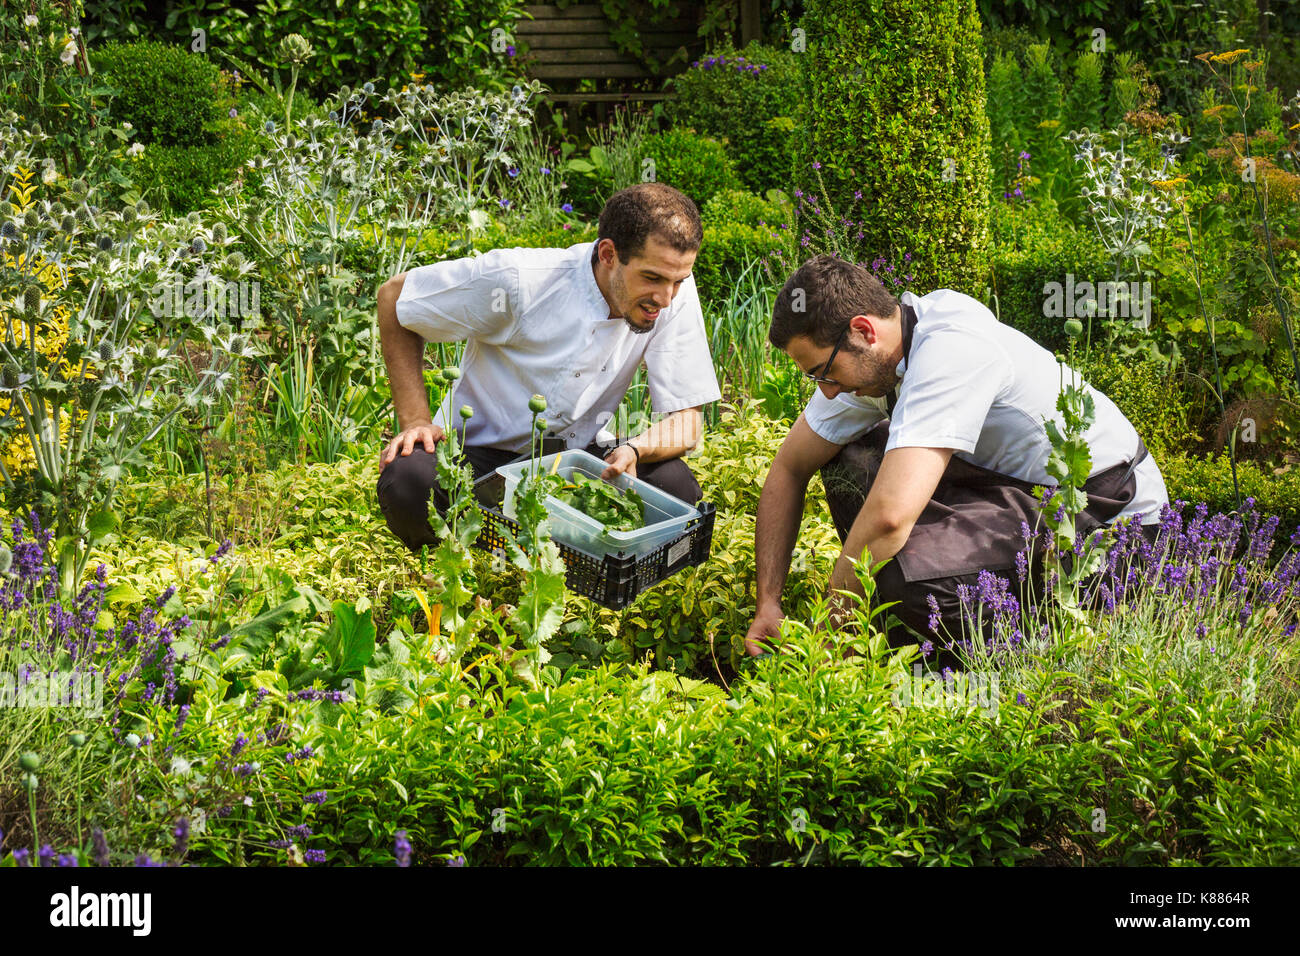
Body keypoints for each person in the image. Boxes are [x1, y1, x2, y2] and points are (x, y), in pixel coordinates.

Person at [744, 254, 1170, 663]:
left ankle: (1021, 653)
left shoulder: (951, 348)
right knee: (849, 461)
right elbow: (790, 467)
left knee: (902, 570)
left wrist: (828, 633)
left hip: (1110, 519)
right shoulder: (881, 358)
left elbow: (889, 519)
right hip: (1016, 489)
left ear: (863, 331)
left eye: (823, 371)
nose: (827, 390)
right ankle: (909, 621)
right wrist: (768, 603)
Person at [375, 183, 722, 554]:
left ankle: (564, 555)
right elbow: (395, 299)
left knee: (675, 487)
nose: (666, 299)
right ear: (608, 254)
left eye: (678, 281)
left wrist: (635, 450)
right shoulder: (520, 280)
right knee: (410, 480)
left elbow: (688, 422)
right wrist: (415, 421)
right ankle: (463, 555)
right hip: (480, 457)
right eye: (652, 278)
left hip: (576, 460)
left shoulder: (671, 293)